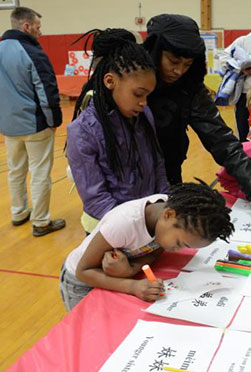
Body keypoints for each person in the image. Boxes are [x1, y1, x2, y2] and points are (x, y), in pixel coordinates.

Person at [143, 14, 251, 226]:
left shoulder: (189, 86)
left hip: (168, 173)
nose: (179, 71)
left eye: (187, 64)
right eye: (173, 62)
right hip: (126, 183)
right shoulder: (131, 80)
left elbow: (221, 139)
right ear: (155, 53)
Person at [59, 182, 234, 311]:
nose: (177, 249)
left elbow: (154, 249)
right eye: (180, 243)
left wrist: (130, 270)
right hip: (80, 281)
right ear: (169, 214)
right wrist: (132, 286)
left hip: (112, 274)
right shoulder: (123, 224)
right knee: (88, 330)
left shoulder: (166, 221)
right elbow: (84, 271)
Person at [66, 28, 169, 234]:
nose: (143, 102)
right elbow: (96, 199)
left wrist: (164, 206)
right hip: (108, 230)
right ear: (110, 81)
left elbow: (158, 167)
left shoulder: (144, 115)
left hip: (146, 223)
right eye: (138, 94)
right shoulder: (83, 131)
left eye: (148, 95)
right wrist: (135, 229)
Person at [0, 7, 65, 237]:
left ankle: (18, 213)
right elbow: (46, 88)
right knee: (39, 172)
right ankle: (40, 221)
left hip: (8, 125)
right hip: (35, 123)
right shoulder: (32, 52)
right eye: (38, 26)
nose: (40, 31)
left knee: (15, 171)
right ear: (26, 26)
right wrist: (54, 119)